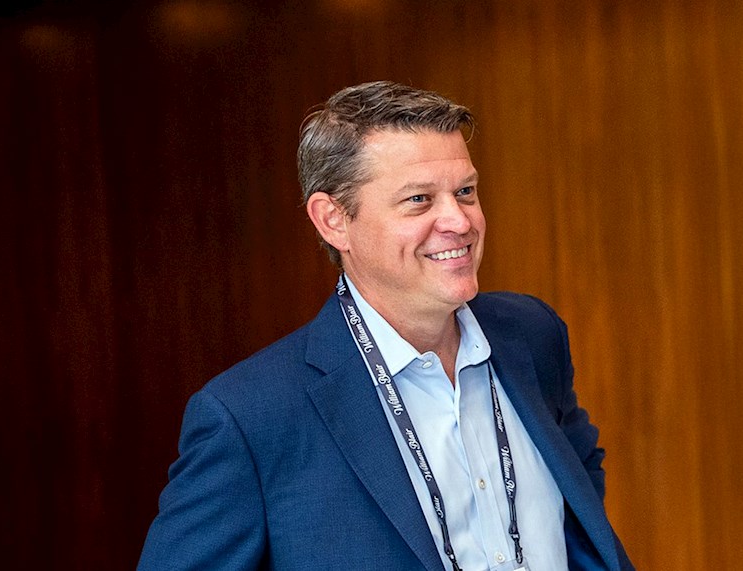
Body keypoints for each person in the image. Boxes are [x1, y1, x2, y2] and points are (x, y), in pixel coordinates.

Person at [138, 81, 634, 570]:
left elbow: (580, 505)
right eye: (419, 199)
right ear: (333, 220)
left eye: (465, 191)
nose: (460, 221)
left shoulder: (533, 335)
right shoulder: (250, 417)